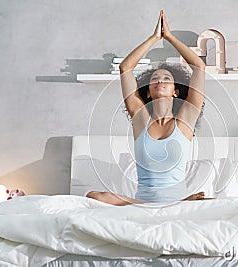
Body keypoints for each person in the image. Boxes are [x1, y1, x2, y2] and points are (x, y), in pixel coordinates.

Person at [87, 10, 206, 206]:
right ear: (148, 92)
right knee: (94, 196)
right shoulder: (140, 119)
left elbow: (199, 67)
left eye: (166, 79)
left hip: (178, 202)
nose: (160, 80)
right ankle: (157, 207)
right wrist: (154, 38)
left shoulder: (185, 119)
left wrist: (169, 37)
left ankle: (176, 204)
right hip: (140, 203)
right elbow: (125, 68)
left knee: (213, 202)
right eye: (155, 79)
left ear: (175, 91)